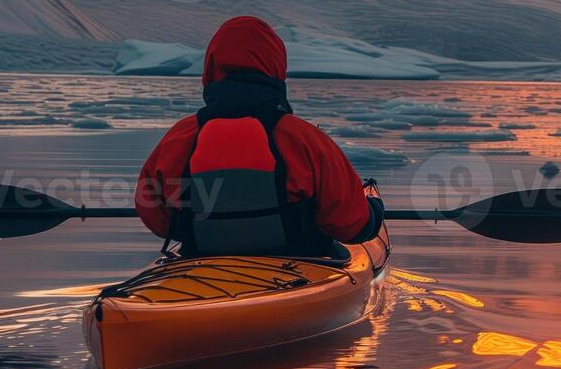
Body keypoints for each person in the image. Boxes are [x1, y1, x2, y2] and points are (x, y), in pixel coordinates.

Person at [136, 15, 383, 257]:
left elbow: (157, 219)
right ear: (276, 68)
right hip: (298, 266)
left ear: (211, 67)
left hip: (201, 263)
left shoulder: (181, 137)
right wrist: (374, 211)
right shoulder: (303, 139)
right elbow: (351, 225)